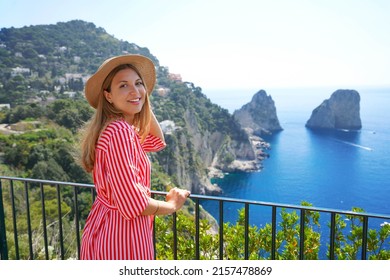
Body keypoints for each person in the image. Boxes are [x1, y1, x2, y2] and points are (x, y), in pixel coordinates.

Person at [79, 54, 190, 260]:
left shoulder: (114, 129)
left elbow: (157, 141)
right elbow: (133, 204)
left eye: (138, 83)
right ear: (108, 96)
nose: (134, 89)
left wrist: (141, 100)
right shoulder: (120, 132)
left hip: (104, 230)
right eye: (123, 86)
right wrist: (173, 205)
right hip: (122, 240)